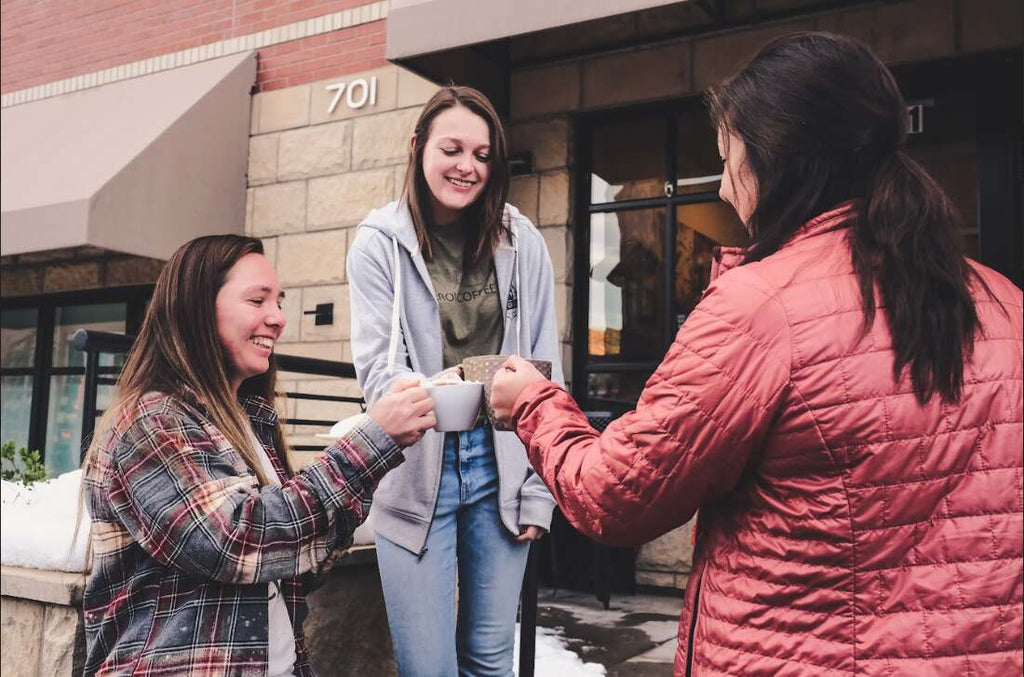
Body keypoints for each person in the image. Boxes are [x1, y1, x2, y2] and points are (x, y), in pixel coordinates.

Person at [492, 32, 1023, 676]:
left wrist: (534, 404)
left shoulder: (762, 307)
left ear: (779, 159)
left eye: (727, 158)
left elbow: (617, 495)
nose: (720, 188)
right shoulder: (1004, 303)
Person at [81, 235, 435, 677]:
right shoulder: (151, 421)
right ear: (197, 309)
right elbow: (234, 541)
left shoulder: (249, 423)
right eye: (257, 300)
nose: (278, 318)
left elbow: (295, 562)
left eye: (279, 302)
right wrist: (369, 445)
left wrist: (376, 458)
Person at [347, 85, 562, 675]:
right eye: (452, 149)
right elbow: (377, 372)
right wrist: (436, 391)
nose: (467, 167)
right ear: (418, 147)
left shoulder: (522, 243)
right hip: (415, 471)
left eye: (483, 155)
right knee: (428, 667)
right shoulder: (377, 246)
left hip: (503, 467)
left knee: (491, 660)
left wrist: (540, 491)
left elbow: (546, 367)